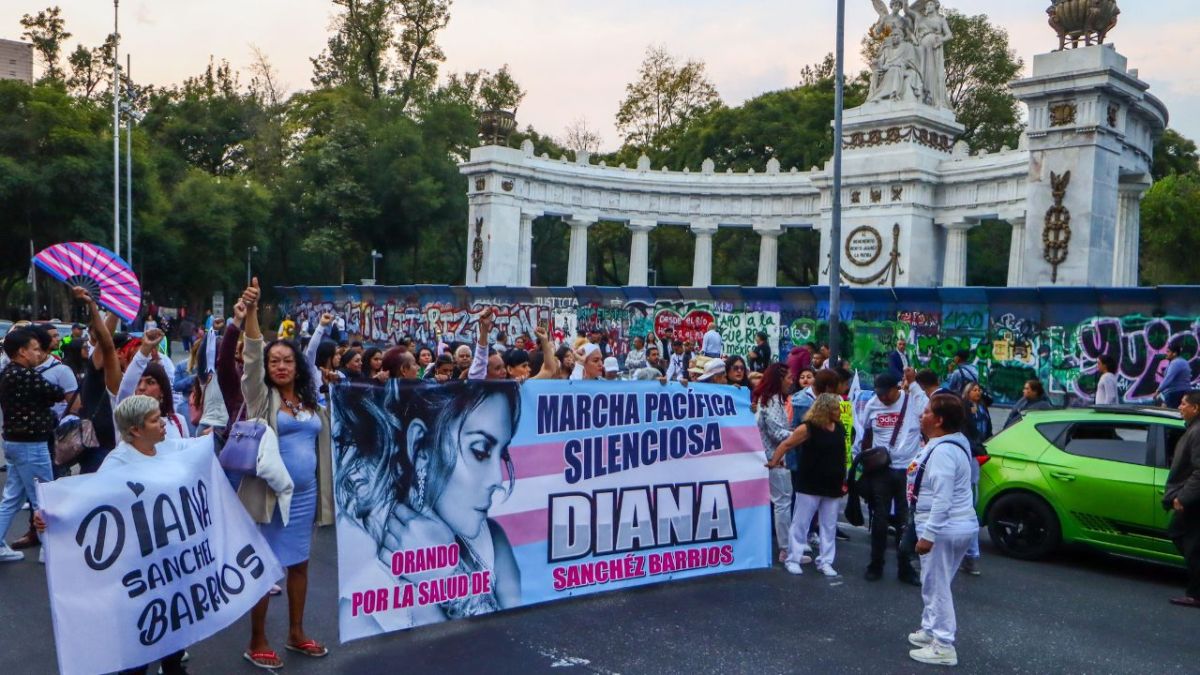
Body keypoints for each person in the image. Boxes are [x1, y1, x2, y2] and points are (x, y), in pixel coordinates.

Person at [34, 394, 215, 673]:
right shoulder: (117, 463)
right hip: (138, 561)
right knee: (140, 624)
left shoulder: (169, 446)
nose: (164, 423)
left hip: (174, 556)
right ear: (135, 430)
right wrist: (52, 516)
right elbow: (88, 502)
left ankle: (172, 665)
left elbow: (196, 449)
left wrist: (211, 437)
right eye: (156, 420)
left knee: (176, 615)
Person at [238, 278, 332, 668]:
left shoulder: (311, 401)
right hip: (272, 497)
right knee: (265, 567)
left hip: (306, 496)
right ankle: (257, 639)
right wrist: (254, 312)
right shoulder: (262, 398)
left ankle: (296, 633)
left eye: (287, 360)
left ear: (298, 366)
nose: (279, 365)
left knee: (299, 564)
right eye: (274, 361)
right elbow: (253, 355)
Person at [907, 394, 976, 667]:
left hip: (944, 528)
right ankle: (930, 629)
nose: (921, 416)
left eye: (926, 412)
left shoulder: (944, 451)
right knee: (933, 581)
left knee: (937, 586)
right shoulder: (947, 444)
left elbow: (942, 498)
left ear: (939, 420)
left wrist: (928, 535)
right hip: (951, 525)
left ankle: (944, 645)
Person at [0, 326, 65, 562]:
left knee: (12, 497)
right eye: (36, 349)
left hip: (14, 443)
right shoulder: (26, 375)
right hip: (31, 445)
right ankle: (50, 550)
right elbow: (55, 392)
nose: (40, 354)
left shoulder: (8, 372)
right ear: (22, 352)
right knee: (44, 497)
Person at [855, 372, 926, 584]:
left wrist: (913, 384)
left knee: (905, 522)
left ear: (897, 388)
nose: (883, 398)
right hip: (881, 470)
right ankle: (875, 565)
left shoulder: (912, 401)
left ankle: (905, 569)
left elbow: (928, 406)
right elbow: (865, 434)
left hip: (907, 470)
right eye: (879, 394)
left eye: (887, 393)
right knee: (879, 520)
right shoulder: (873, 405)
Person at [768, 394, 847, 578]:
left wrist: (844, 479)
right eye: (835, 408)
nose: (839, 412)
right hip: (810, 481)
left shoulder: (839, 427)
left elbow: (842, 454)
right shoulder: (808, 428)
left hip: (833, 483)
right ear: (826, 409)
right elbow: (786, 444)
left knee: (829, 525)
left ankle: (826, 561)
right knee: (801, 522)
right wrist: (774, 461)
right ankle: (793, 558)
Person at [753, 363, 795, 564]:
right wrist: (804, 434)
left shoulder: (770, 400)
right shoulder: (771, 402)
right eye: (789, 377)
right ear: (779, 379)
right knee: (783, 503)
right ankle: (786, 549)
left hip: (773, 460)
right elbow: (778, 433)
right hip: (774, 462)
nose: (792, 380)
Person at [1165, 391, 1200, 608]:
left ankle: (1195, 594)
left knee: (1188, 541)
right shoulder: (1193, 429)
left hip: (1194, 500)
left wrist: (1184, 497)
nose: (1179, 407)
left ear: (1195, 408)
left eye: (1184, 404)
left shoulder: (1197, 432)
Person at [960, 382, 991, 577]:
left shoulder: (981, 410)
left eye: (979, 390)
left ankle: (970, 557)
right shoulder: (966, 414)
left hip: (972, 466)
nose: (978, 393)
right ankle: (969, 557)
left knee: (968, 511)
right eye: (974, 389)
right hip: (970, 464)